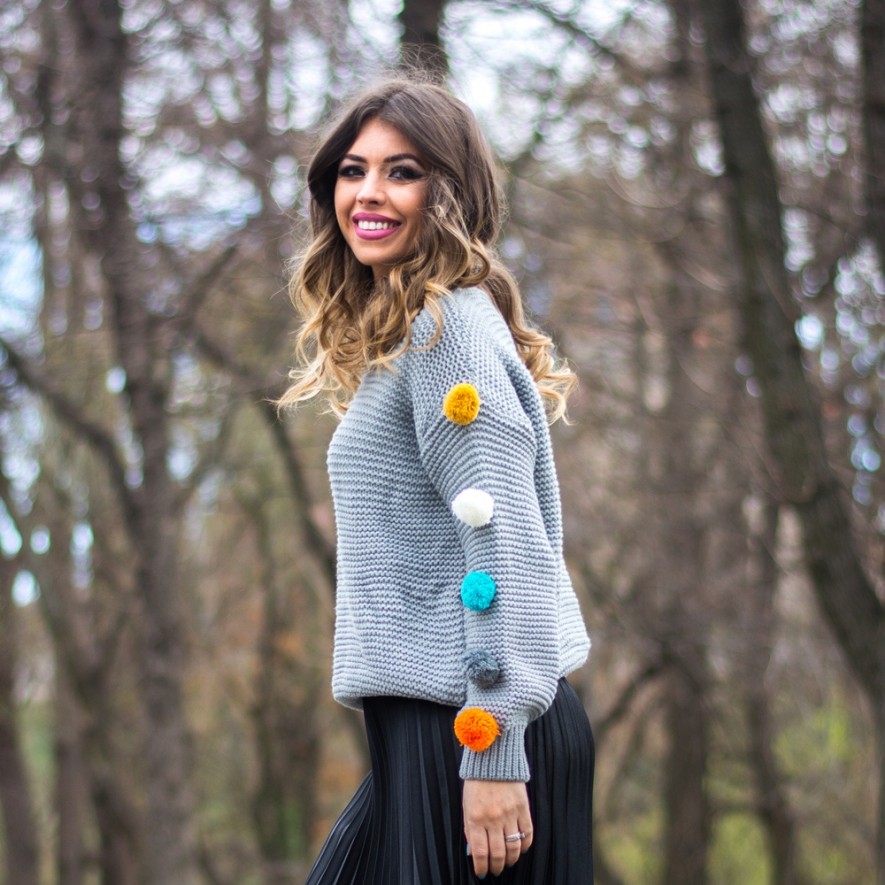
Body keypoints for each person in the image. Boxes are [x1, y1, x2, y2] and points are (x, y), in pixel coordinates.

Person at [279, 77, 594, 884]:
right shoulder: (419, 330)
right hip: (429, 734)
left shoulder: (444, 332)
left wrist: (492, 750)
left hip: (469, 735)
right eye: (352, 170)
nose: (367, 192)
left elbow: (498, 544)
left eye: (401, 171)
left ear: (447, 193)